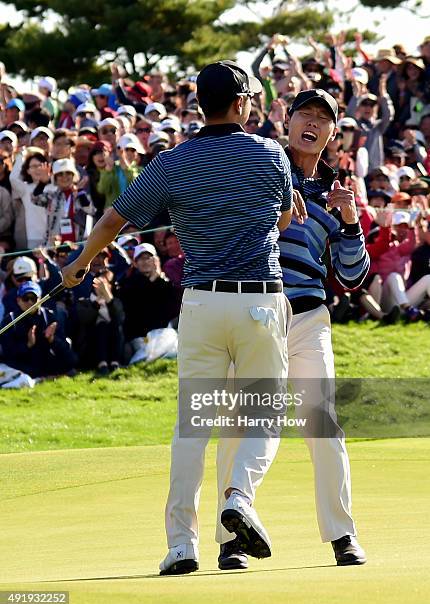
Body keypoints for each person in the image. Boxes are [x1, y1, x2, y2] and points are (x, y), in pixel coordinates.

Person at [61, 59, 294, 576]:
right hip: (259, 300)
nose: (254, 105)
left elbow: (113, 218)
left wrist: (79, 264)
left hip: (203, 305)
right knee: (264, 414)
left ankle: (181, 546)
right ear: (239, 104)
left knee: (193, 429)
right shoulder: (270, 154)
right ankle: (238, 496)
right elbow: (280, 216)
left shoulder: (173, 162)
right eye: (250, 98)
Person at [217, 89, 369, 570]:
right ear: (288, 119)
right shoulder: (262, 167)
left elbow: (351, 276)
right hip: (257, 310)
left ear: (332, 132)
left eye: (323, 118)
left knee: (323, 425)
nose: (312, 123)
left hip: (309, 317)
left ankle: (342, 535)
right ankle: (231, 539)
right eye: (305, 113)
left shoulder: (337, 191)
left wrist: (349, 221)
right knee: (242, 423)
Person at [0, 280, 77, 379]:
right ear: (18, 300)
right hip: (22, 362)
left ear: (40, 299)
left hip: (44, 359)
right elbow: (8, 352)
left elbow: (64, 349)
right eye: (25, 298)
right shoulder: (10, 320)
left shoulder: (49, 316)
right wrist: (28, 345)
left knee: (71, 358)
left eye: (33, 298)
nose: (30, 302)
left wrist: (52, 339)